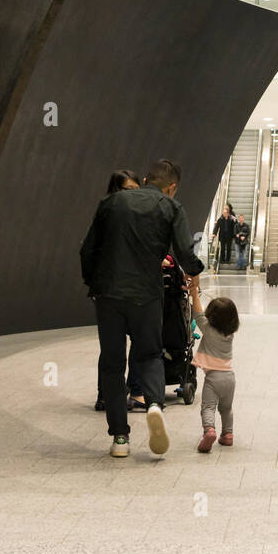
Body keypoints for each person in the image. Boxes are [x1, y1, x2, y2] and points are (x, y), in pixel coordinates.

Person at [81, 158, 205, 457]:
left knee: (112, 364)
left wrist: (93, 285)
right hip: (147, 295)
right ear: (171, 186)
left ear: (147, 178)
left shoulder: (111, 203)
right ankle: (152, 404)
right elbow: (186, 253)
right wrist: (195, 271)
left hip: (109, 295)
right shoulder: (171, 207)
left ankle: (120, 439)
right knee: (149, 354)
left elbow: (87, 249)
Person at [92, 170, 141, 412]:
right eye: (127, 190)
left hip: (132, 290)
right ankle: (107, 395)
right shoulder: (107, 215)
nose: (132, 195)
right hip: (110, 289)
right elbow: (91, 249)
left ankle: (126, 391)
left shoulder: (139, 216)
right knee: (112, 349)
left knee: (135, 343)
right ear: (115, 191)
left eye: (136, 189)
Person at [187, 275, 239, 452]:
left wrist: (194, 294)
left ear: (212, 317)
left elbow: (198, 313)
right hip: (230, 378)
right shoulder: (230, 334)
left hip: (213, 379)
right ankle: (228, 435)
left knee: (208, 407)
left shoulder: (208, 330)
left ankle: (209, 431)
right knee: (226, 408)